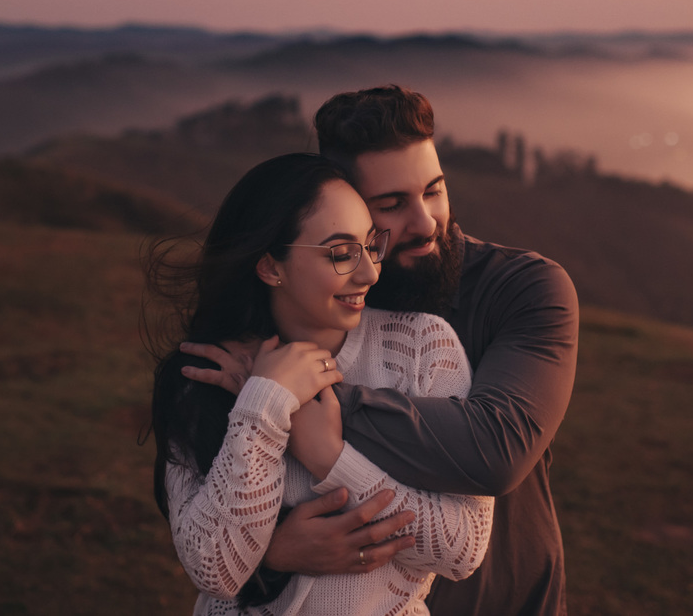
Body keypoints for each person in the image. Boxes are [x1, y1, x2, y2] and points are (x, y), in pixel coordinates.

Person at [184, 86, 578, 616]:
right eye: (391, 204)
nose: (424, 223)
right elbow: (207, 519)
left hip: (505, 598)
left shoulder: (525, 288)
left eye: (434, 191)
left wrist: (290, 391)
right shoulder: (311, 300)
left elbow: (496, 449)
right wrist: (272, 553)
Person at [150, 153, 494, 615]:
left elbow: (463, 547)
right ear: (271, 267)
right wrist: (264, 402)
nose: (371, 272)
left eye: (370, 244)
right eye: (341, 253)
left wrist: (329, 456)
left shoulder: (422, 348)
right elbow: (212, 568)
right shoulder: (210, 371)